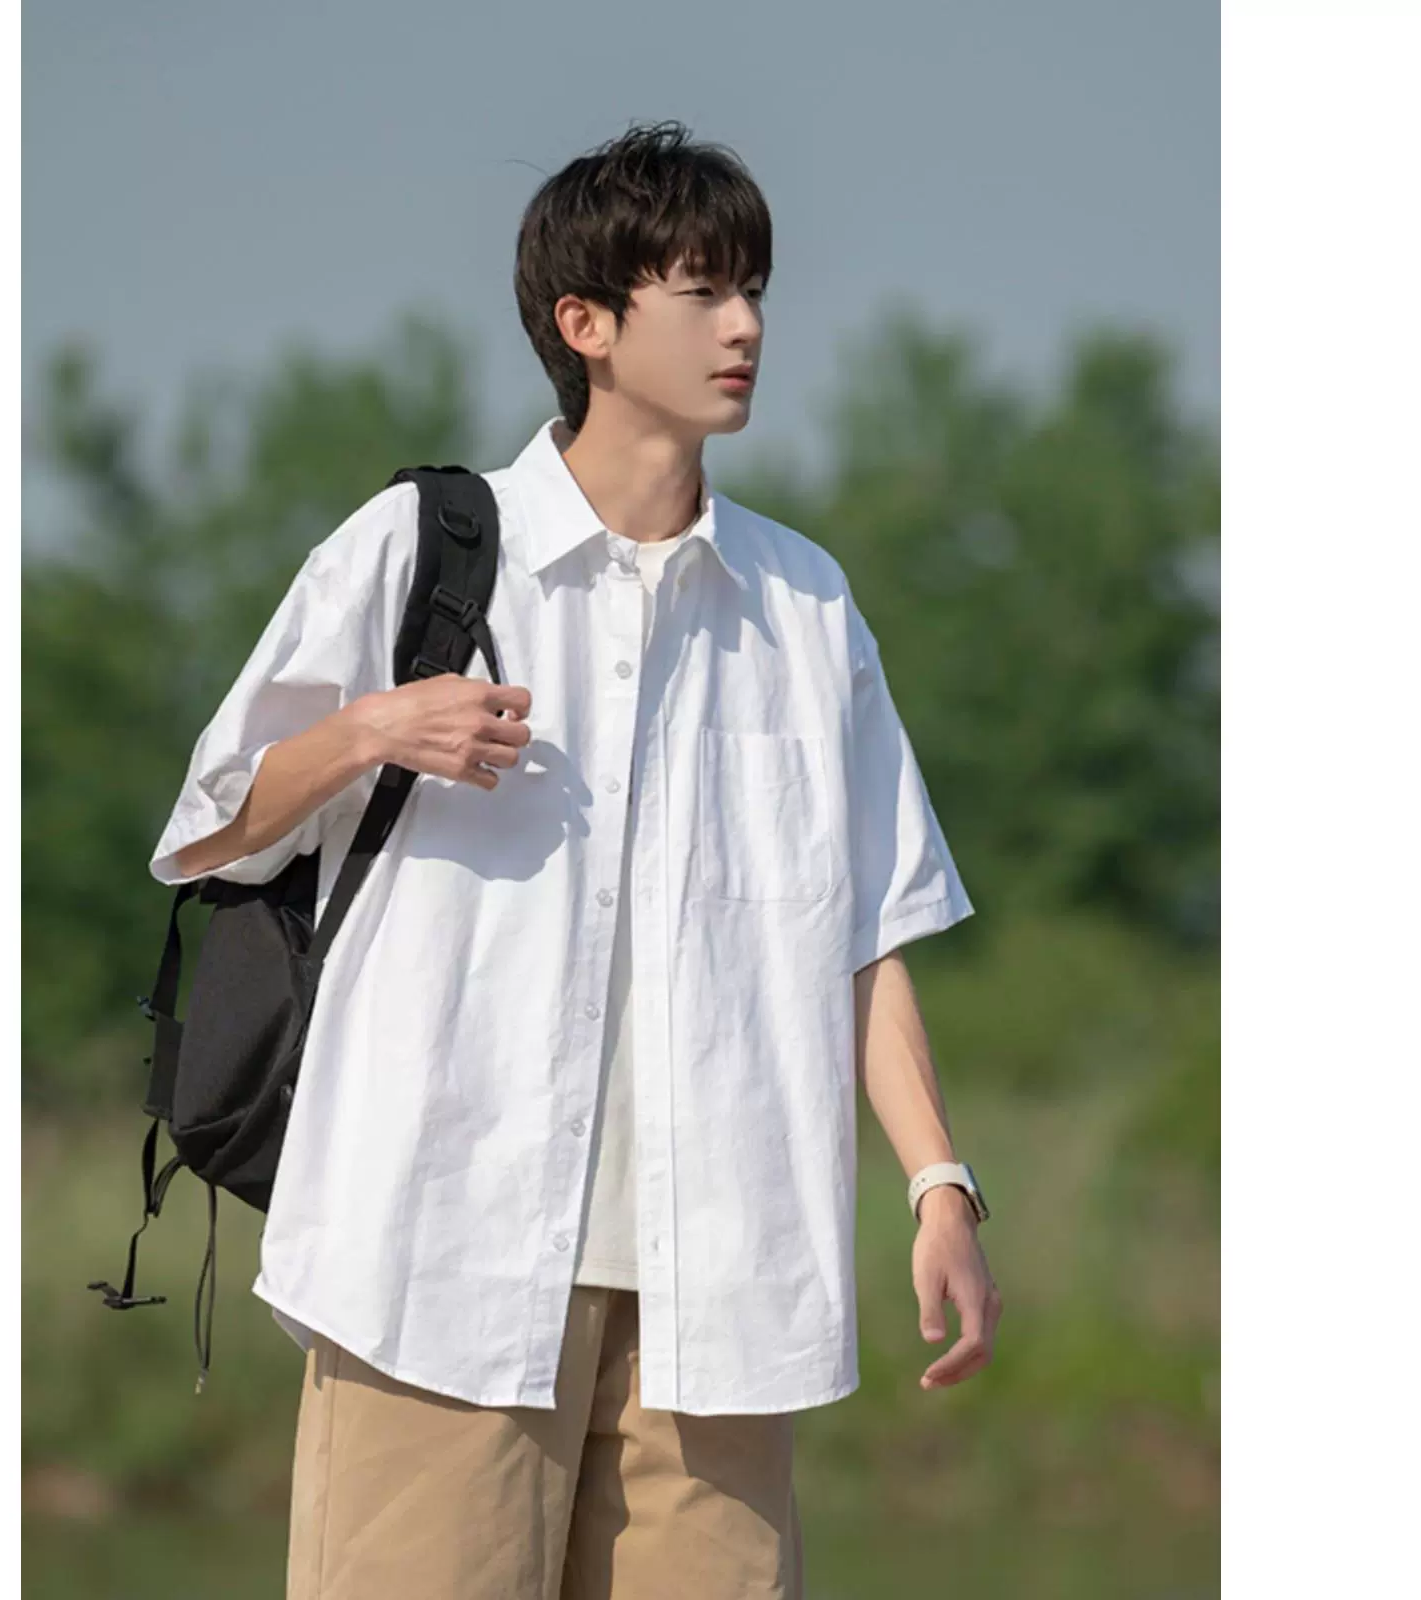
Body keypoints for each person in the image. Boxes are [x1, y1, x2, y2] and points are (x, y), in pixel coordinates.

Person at [149, 118, 1002, 1600]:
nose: (745, 327)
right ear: (586, 323)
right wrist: (373, 728)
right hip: (440, 1259)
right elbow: (212, 827)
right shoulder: (421, 548)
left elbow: (865, 928)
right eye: (703, 291)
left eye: (755, 290)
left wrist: (940, 1184)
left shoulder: (805, 608)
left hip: (720, 1287)